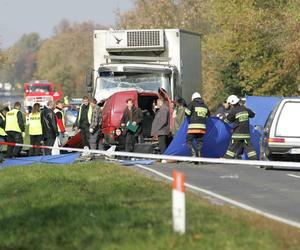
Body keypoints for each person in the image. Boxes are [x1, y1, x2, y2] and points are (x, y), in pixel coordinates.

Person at [223, 95, 257, 160]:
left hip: (237, 134)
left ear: (231, 103)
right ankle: (255, 161)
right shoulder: (245, 109)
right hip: (246, 134)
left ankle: (226, 159)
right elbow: (253, 115)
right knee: (250, 150)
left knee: (231, 149)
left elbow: (227, 121)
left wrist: (222, 117)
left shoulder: (233, 111)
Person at [185, 92, 210, 158]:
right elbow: (208, 116)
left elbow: (187, 113)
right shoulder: (205, 105)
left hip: (193, 127)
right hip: (202, 128)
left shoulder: (192, 103)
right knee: (199, 142)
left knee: (189, 141)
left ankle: (194, 154)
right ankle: (199, 158)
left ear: (193, 98)